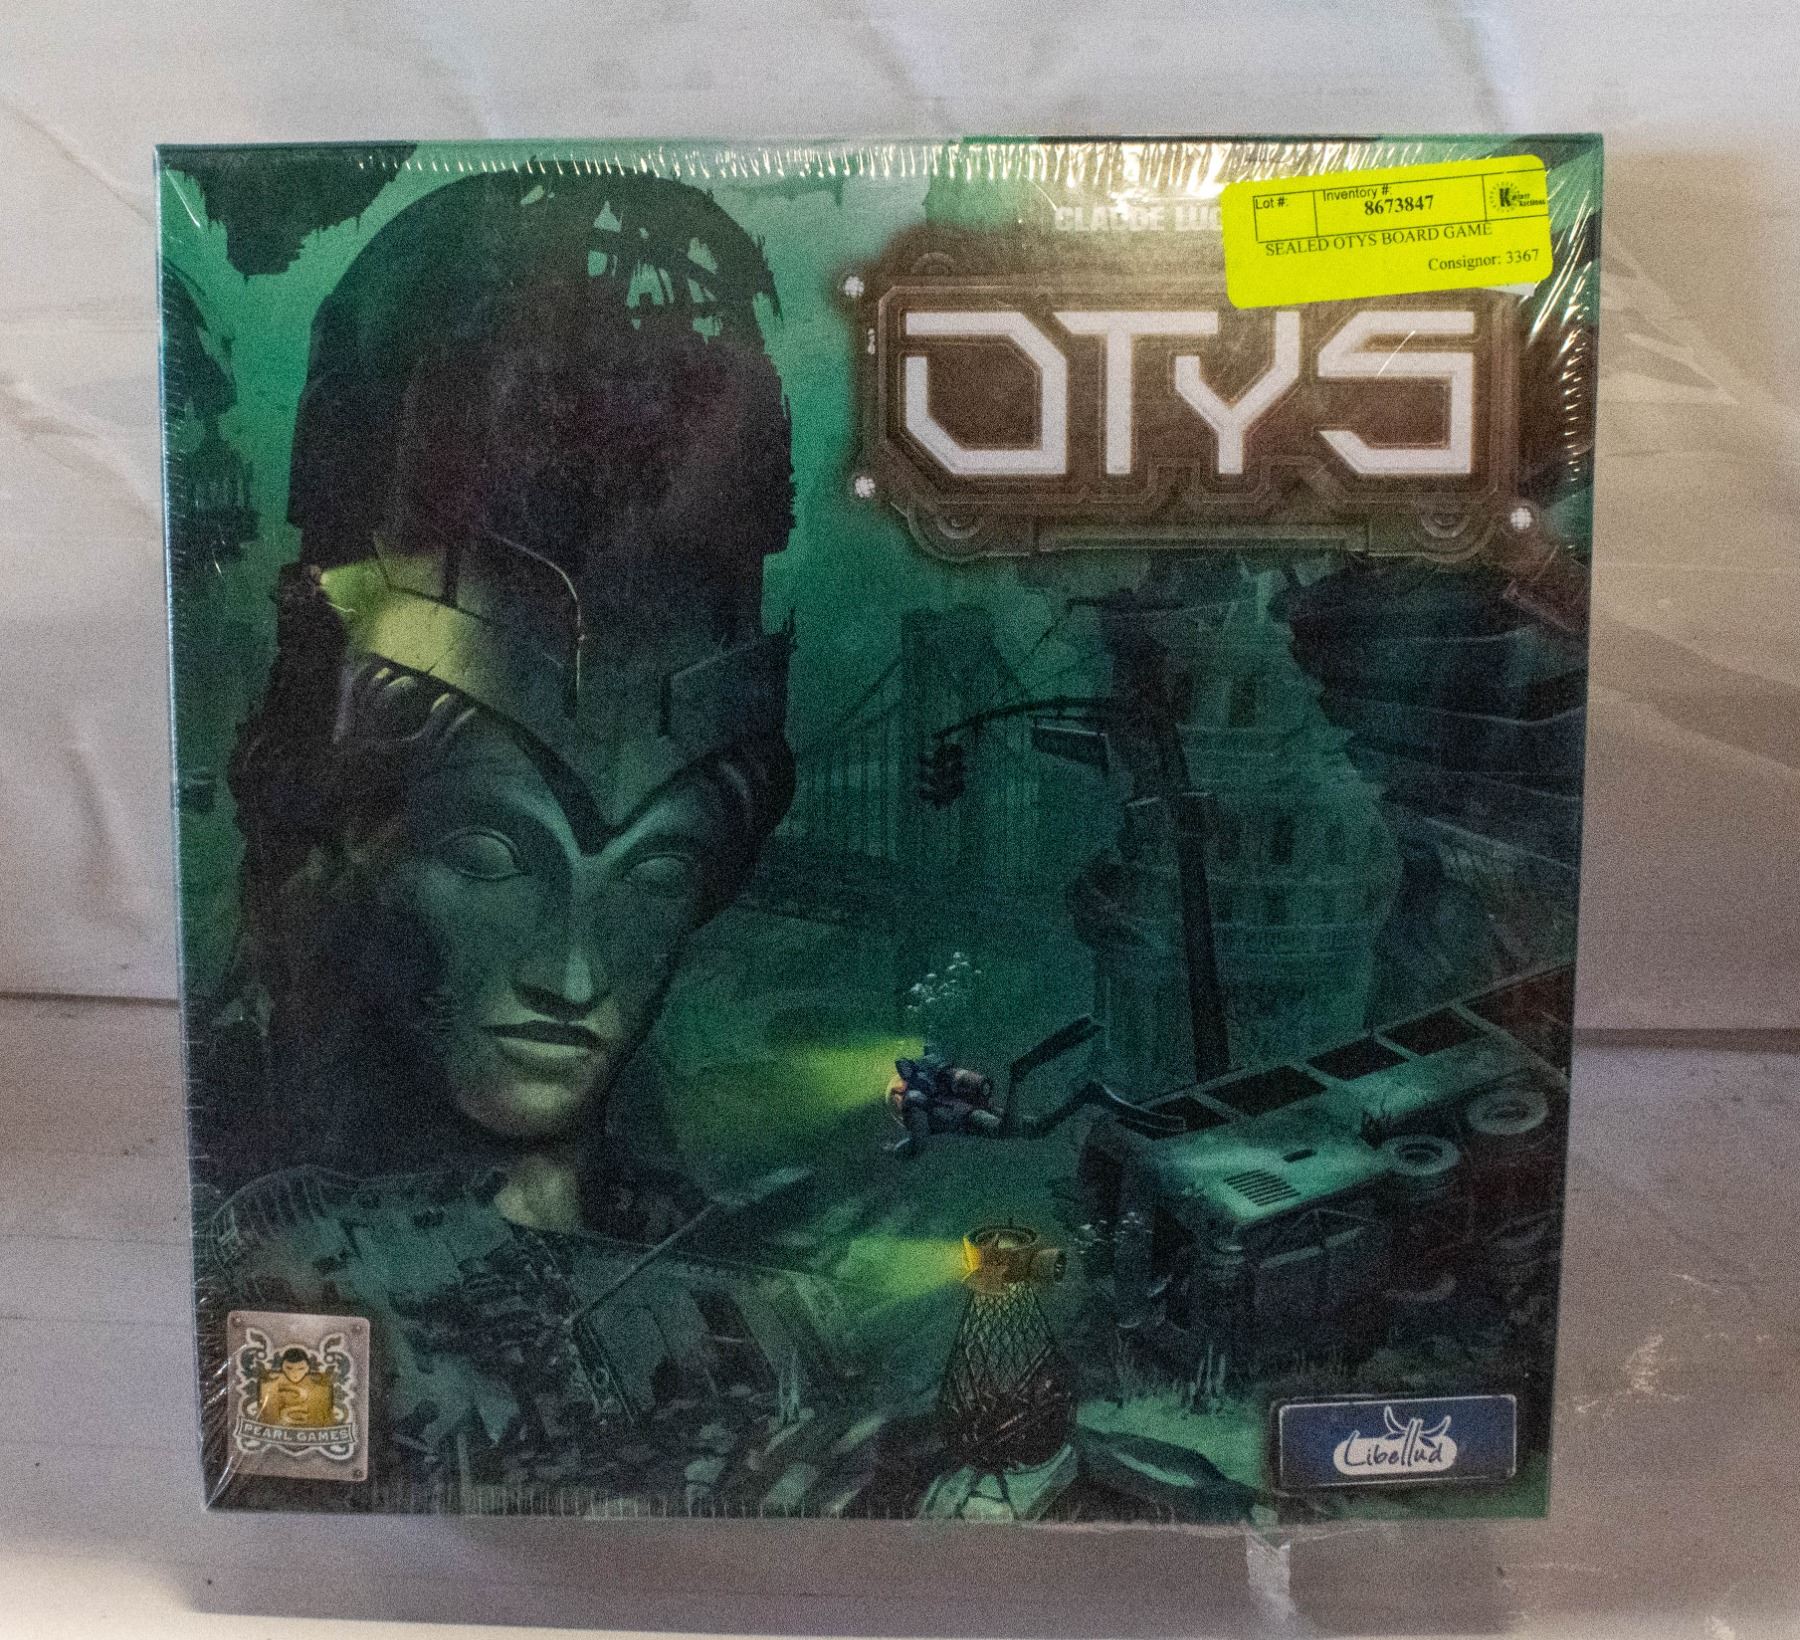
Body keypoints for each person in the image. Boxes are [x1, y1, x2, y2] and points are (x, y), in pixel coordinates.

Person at [195, 170, 838, 1498]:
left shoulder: (729, 1283)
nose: (575, 975)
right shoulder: (264, 1249)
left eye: (656, 870)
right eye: (491, 861)